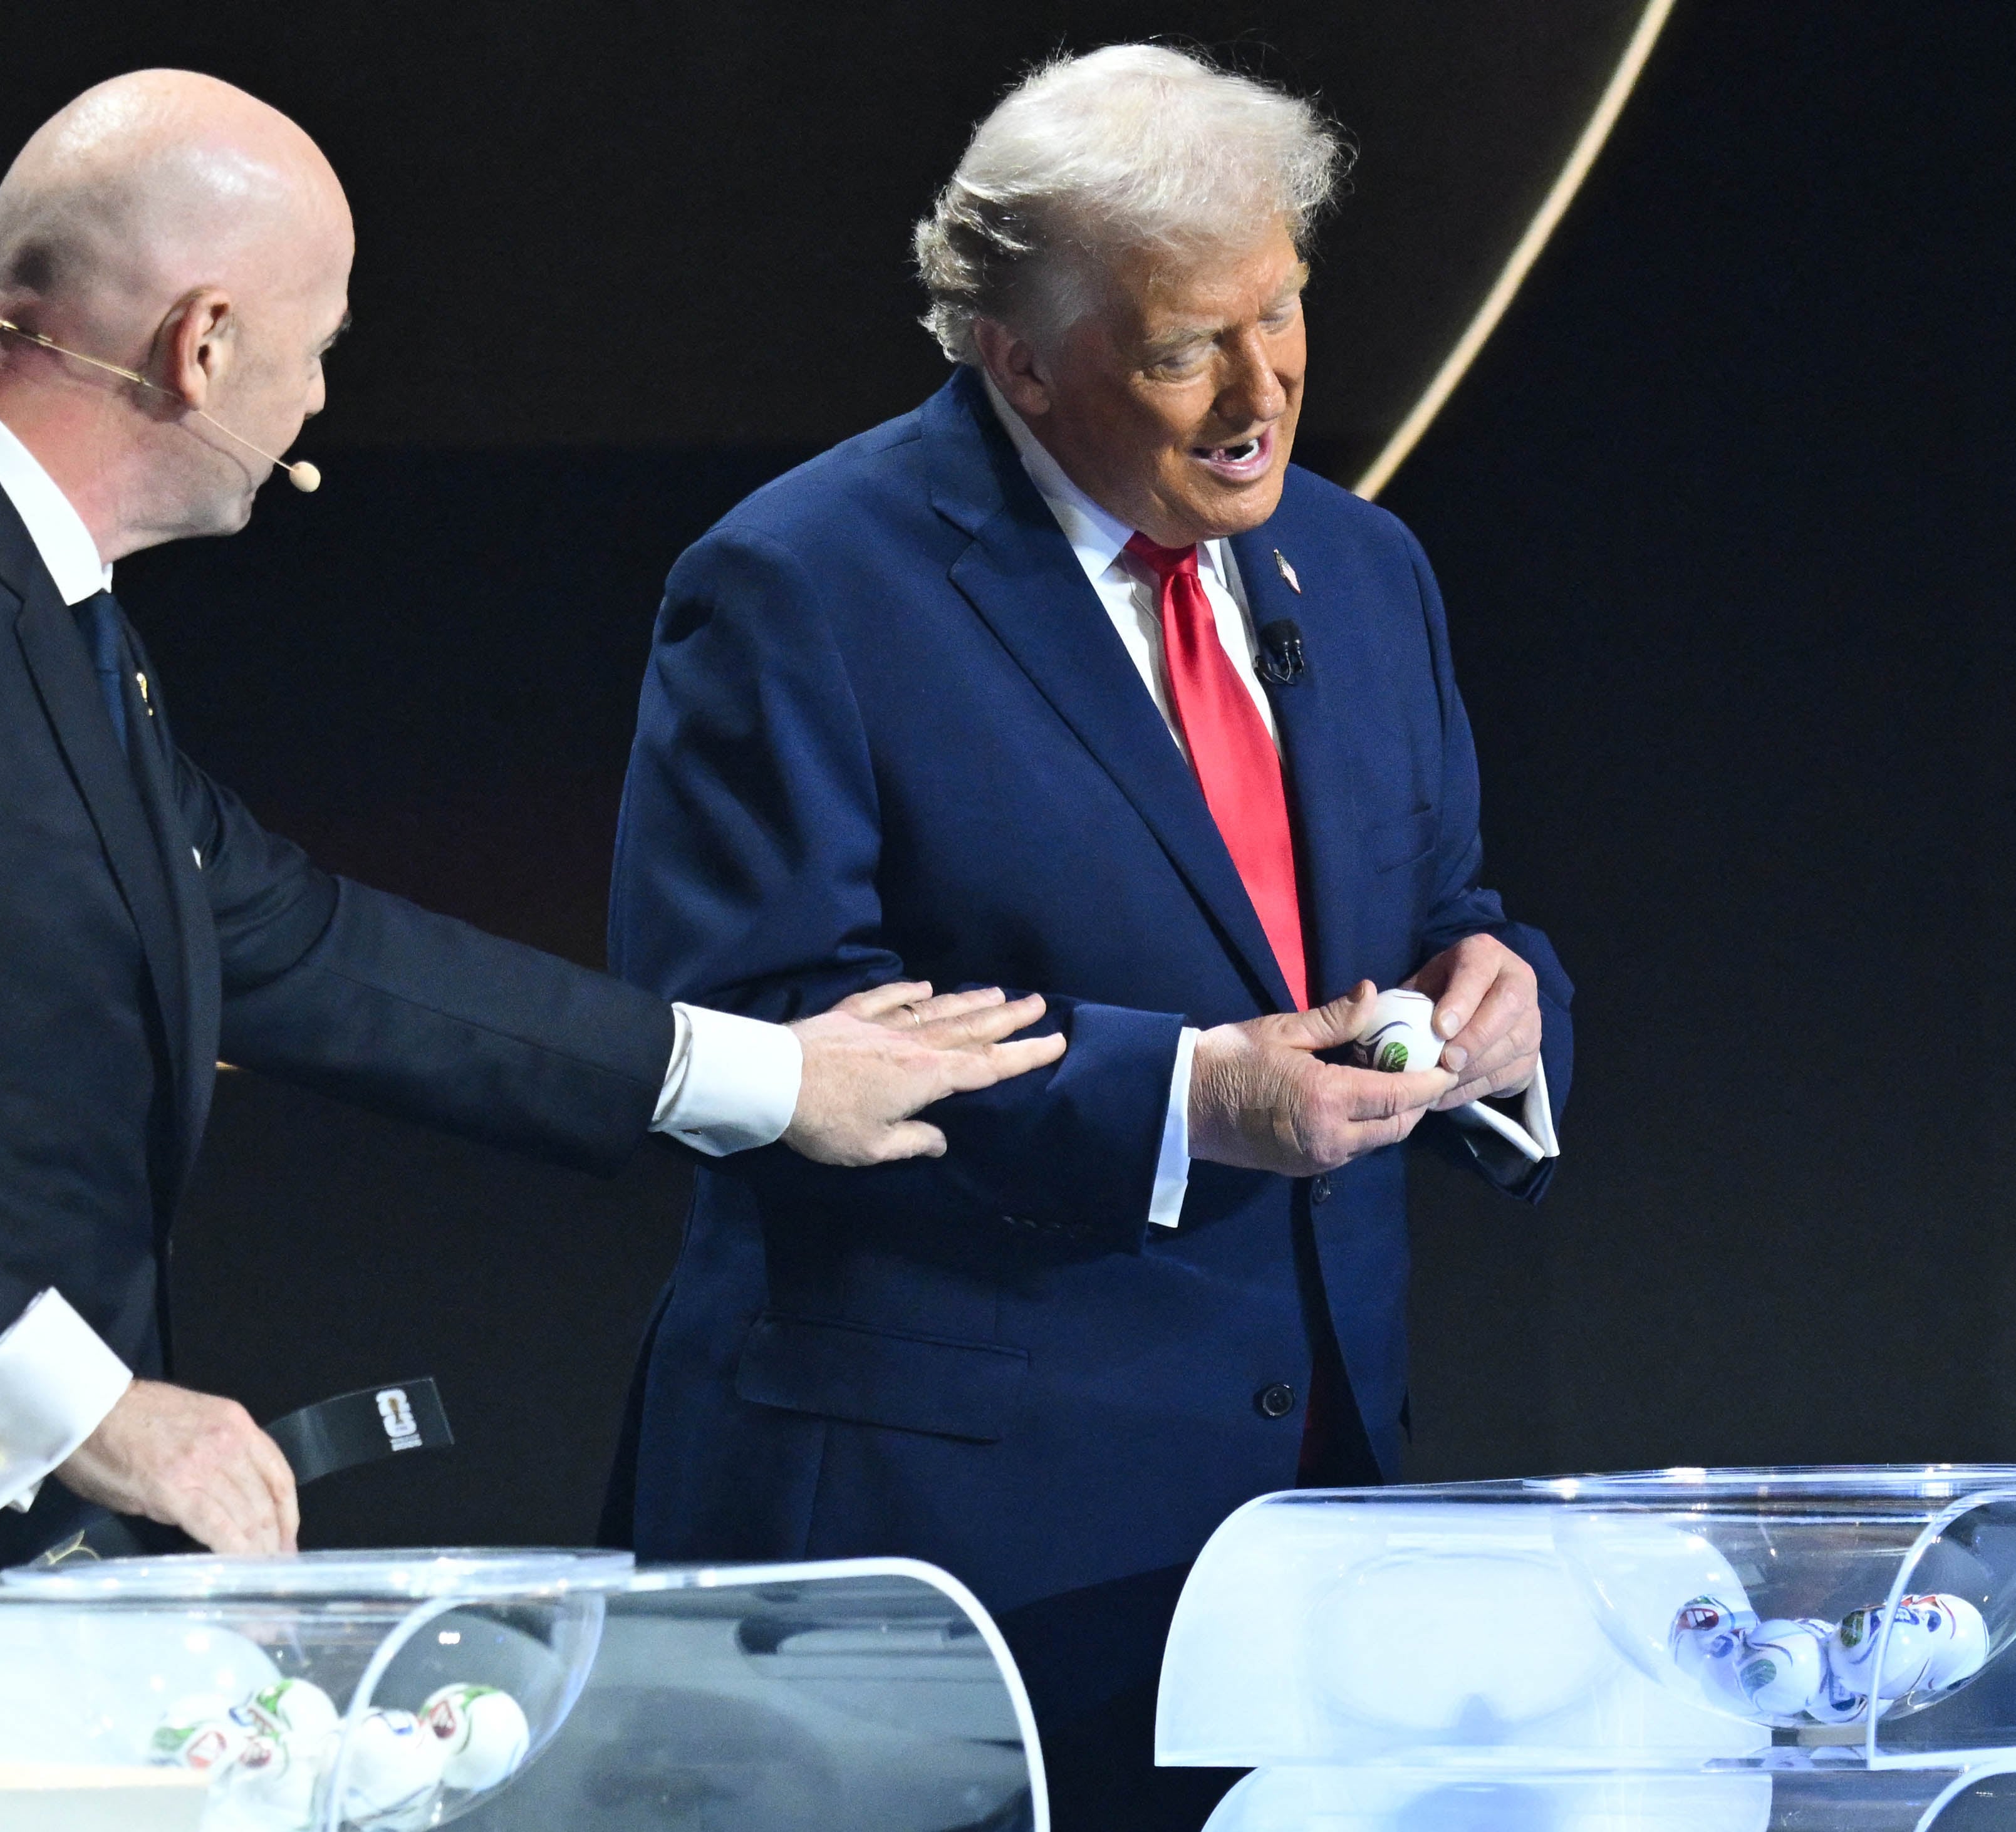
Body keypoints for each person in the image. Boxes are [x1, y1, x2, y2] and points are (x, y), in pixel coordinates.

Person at [0, 70, 1062, 1591]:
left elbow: (305, 944)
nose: (316, 402)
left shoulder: (15, 594)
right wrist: (86, 1414)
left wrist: (772, 1076)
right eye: (319, 347)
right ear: (204, 342)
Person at [604, 45, 1572, 1830]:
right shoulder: (799, 584)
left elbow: (1439, 911)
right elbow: (752, 1026)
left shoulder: (1361, 573)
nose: (1258, 388)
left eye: (1280, 310)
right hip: (947, 1535)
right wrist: (1180, 1098)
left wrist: (1501, 1016)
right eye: (1183, 344)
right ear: (1017, 355)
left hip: (1296, 1521)